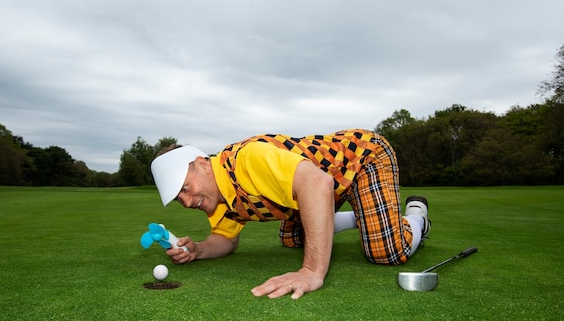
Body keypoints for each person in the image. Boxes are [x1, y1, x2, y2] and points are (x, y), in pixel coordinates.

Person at [150, 128, 430, 299]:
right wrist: (198, 249)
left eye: (185, 188)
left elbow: (318, 183)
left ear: (202, 164)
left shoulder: (247, 159)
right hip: (321, 188)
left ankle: (416, 216)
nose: (186, 202)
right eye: (178, 198)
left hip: (362, 158)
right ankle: (367, 218)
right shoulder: (218, 197)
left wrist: (311, 271)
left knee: (386, 251)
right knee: (292, 239)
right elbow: (225, 238)